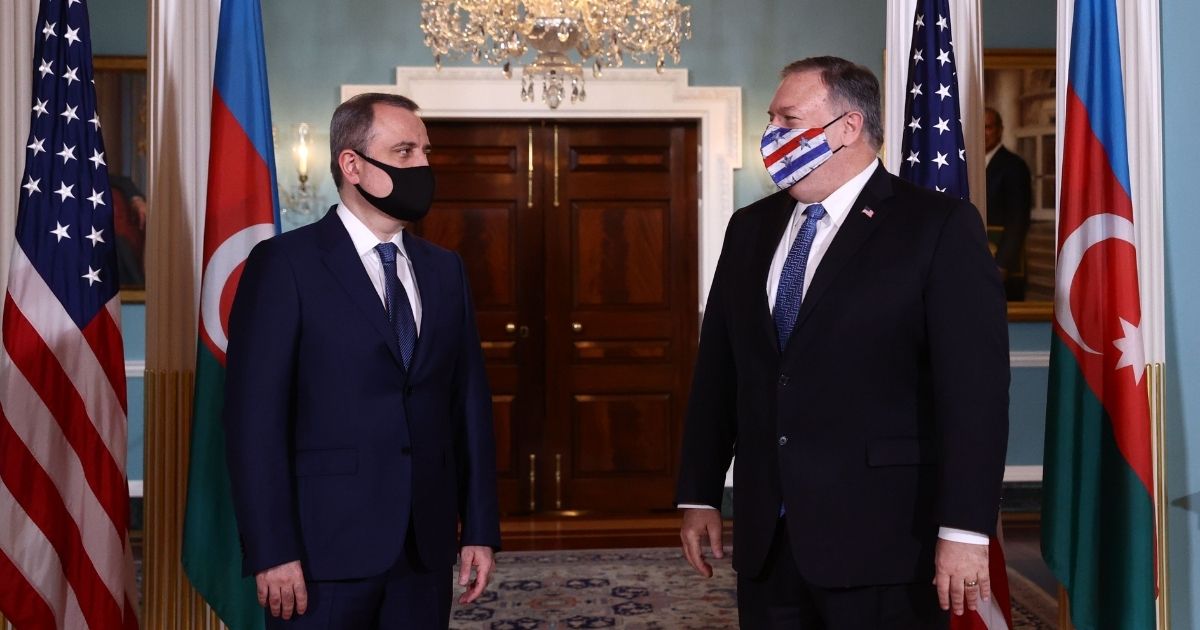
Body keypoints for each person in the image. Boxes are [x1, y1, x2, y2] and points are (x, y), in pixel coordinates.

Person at [675, 57, 1009, 629]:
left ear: (848, 127)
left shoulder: (937, 226)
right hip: (768, 540)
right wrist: (699, 492)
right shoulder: (749, 228)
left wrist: (964, 529)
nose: (772, 133)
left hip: (882, 539)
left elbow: (974, 394)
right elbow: (720, 373)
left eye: (788, 118)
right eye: (771, 119)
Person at [223, 92, 501, 629]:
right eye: (404, 152)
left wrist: (481, 528)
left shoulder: (446, 270)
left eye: (424, 151)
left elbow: (468, 405)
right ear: (352, 164)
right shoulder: (284, 265)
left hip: (424, 547)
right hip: (320, 551)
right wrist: (272, 548)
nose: (422, 165)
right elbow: (253, 421)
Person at [983, 107, 1033, 301]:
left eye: (988, 127)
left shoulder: (1014, 166)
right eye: (981, 127)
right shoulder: (969, 163)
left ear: (1000, 130)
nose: (984, 133)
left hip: (1004, 267)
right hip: (977, 260)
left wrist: (1002, 264)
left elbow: (1018, 220)